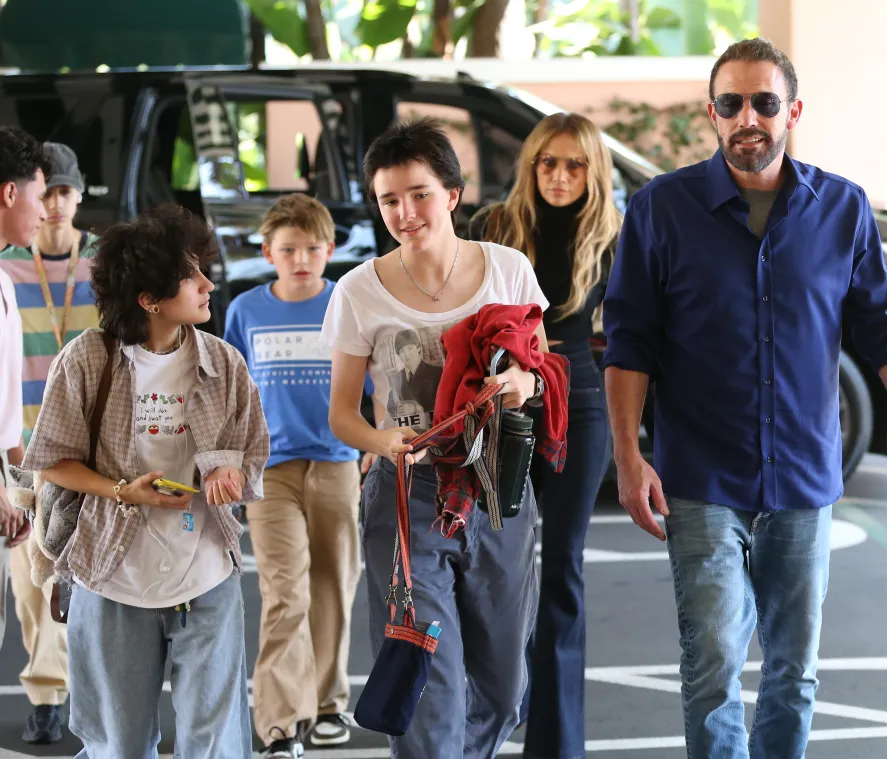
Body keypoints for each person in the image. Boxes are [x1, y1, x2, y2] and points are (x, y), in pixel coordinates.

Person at [601, 37, 887, 759]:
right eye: (733, 103)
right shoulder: (660, 210)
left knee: (793, 673)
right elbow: (629, 343)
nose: (749, 118)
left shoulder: (841, 210)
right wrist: (627, 455)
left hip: (803, 480)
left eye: (765, 103)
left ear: (791, 110)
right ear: (712, 112)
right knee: (710, 670)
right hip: (701, 479)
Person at [322, 117, 550, 759]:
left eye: (418, 193)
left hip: (497, 488)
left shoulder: (507, 270)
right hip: (407, 496)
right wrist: (379, 438)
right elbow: (341, 414)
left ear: (452, 194)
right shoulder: (359, 291)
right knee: (429, 690)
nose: (404, 211)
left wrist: (520, 387)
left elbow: (541, 370)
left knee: (504, 689)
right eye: (389, 199)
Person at [19, 203, 270, 758]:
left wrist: (230, 467)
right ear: (149, 299)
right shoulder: (87, 359)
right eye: (190, 275)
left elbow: (253, 450)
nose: (208, 283)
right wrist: (120, 491)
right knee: (121, 744)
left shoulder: (224, 363)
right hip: (112, 575)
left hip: (205, 574)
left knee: (213, 745)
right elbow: (52, 461)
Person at [470, 112, 619, 759]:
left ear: (594, 171)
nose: (560, 177)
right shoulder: (493, 227)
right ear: (530, 166)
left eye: (574, 165)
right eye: (548, 163)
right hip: (501, 402)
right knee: (491, 569)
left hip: (581, 401)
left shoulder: (613, 233)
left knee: (561, 569)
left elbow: (633, 334)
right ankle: (484, 720)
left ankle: (557, 745)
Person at [224, 193, 361, 757]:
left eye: (311, 248)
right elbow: (230, 392)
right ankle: (280, 722)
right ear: (267, 252)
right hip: (269, 471)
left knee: (333, 587)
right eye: (288, 249)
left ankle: (328, 702)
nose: (300, 258)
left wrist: (374, 443)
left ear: (330, 250)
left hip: (336, 462)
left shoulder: (347, 304)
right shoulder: (245, 311)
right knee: (284, 592)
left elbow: (374, 387)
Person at [0, 138, 92, 744]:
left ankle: (87, 693)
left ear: (80, 196)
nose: (51, 206)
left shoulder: (106, 265)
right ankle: (47, 691)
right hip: (21, 447)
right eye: (44, 192)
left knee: (87, 576)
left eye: (62, 192)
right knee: (32, 582)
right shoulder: (7, 267)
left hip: (84, 450)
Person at [0, 126, 46, 657]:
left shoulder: (7, 281)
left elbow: (6, 405)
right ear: (10, 192)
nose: (45, 211)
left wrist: (24, 488)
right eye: (38, 195)